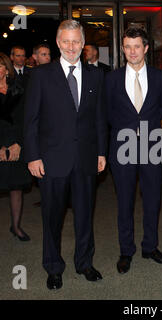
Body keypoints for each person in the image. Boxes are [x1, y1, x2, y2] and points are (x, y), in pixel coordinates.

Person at [24, 20, 108, 290]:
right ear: (58, 43)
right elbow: (31, 120)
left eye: (76, 41)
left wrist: (101, 152)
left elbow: (99, 118)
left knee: (85, 215)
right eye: (66, 41)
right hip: (51, 160)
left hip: (85, 158)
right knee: (52, 217)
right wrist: (33, 156)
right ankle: (53, 267)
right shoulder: (40, 75)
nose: (71, 47)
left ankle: (84, 262)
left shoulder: (96, 76)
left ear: (83, 45)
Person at [106, 27, 162, 274]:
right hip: (121, 146)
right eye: (127, 47)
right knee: (124, 201)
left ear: (145, 48)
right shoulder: (111, 79)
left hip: (151, 144)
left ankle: (150, 246)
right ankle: (126, 251)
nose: (132, 51)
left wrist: (144, 127)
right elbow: (107, 112)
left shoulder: (158, 77)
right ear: (123, 49)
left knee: (153, 199)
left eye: (137, 46)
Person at [0, 53, 32, 241]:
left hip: (16, 143)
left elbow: (25, 119)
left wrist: (18, 144)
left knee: (16, 188)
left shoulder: (18, 89)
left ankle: (16, 226)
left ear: (6, 68)